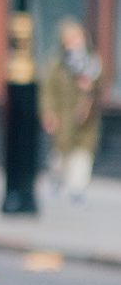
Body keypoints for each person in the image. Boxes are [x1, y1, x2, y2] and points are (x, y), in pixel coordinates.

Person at [40, 17, 103, 204]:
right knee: (60, 157)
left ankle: (77, 189)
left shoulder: (92, 63)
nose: (74, 44)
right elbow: (47, 92)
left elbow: (99, 86)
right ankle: (56, 180)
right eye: (70, 40)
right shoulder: (57, 66)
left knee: (82, 155)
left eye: (77, 38)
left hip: (84, 119)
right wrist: (48, 113)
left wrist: (89, 87)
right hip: (62, 117)